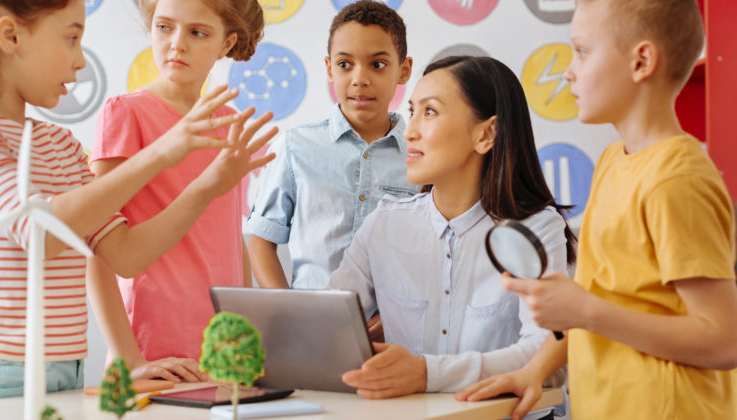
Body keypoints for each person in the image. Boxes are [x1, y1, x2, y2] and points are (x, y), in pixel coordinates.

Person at [0, 0, 273, 404]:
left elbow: (125, 256)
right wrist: (163, 152)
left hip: (67, 370)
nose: (81, 62)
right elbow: (39, 235)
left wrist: (206, 186)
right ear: (10, 36)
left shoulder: (59, 144)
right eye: (72, 38)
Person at [456, 1, 737, 419]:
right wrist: (533, 371)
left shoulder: (677, 179)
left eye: (582, 52)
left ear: (641, 61)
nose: (568, 71)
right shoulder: (612, 161)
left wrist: (586, 311)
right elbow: (596, 302)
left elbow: (723, 340)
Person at [327, 56, 574, 419]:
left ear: (486, 134)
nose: (408, 131)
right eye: (411, 111)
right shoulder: (385, 223)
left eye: (429, 112)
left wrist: (427, 374)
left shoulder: (536, 228)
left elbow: (549, 352)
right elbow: (325, 322)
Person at [87, 0, 269, 382]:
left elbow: (229, 240)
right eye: (164, 27)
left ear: (226, 43)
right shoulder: (126, 114)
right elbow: (99, 254)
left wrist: (245, 333)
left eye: (197, 32)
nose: (177, 44)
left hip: (223, 355)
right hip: (155, 355)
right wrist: (130, 361)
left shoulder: (228, 124)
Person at [247, 0, 418, 291]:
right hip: (310, 327)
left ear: (403, 70)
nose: (360, 79)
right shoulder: (294, 147)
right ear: (329, 69)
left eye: (378, 64)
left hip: (396, 330)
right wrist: (292, 311)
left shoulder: (421, 155)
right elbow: (261, 240)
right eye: (344, 64)